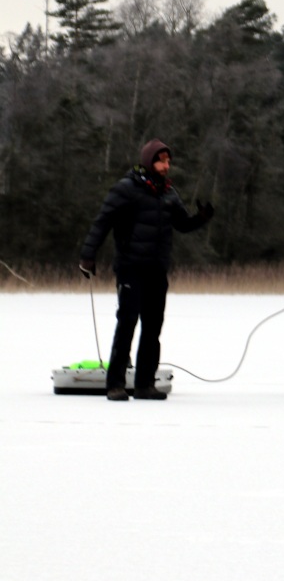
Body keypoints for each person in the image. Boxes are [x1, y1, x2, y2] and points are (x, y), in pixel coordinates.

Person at [79, 139, 214, 401]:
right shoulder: (126, 189)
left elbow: (182, 224)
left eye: (168, 162)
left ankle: (144, 384)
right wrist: (87, 256)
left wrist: (201, 218)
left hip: (157, 269)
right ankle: (115, 384)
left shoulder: (168, 193)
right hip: (130, 267)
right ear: (149, 162)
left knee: (153, 327)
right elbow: (102, 222)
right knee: (127, 323)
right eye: (162, 161)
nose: (166, 166)